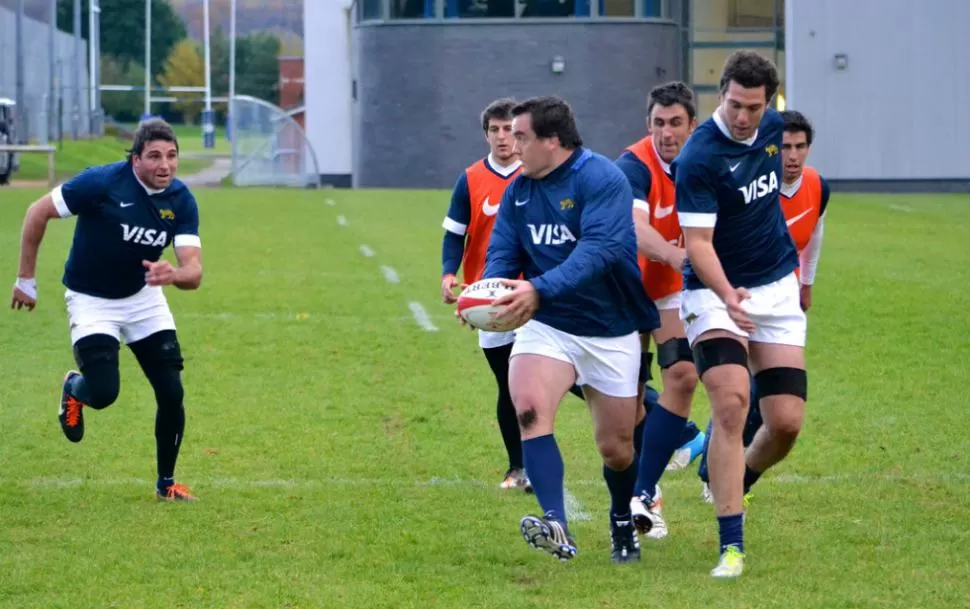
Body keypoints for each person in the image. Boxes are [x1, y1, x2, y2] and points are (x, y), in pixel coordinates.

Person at [481, 95, 659, 564]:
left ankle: (621, 518)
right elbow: (502, 251)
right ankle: (556, 522)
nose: (512, 145)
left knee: (617, 448)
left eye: (521, 136)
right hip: (549, 326)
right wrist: (488, 296)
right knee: (529, 411)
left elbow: (597, 252)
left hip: (611, 327)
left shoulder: (601, 179)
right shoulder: (518, 191)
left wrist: (538, 289)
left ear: (552, 141)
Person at [11, 118, 203, 502]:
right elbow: (37, 211)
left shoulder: (181, 200)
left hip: (143, 297)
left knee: (171, 392)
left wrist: (175, 273)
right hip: (91, 298)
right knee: (103, 392)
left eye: (171, 156)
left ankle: (167, 483)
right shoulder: (100, 184)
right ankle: (74, 390)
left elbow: (194, 272)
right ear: (135, 160)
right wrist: (26, 279)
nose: (165, 165)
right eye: (154, 156)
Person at [672, 50, 808, 578]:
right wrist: (727, 294)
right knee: (731, 404)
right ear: (720, 92)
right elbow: (699, 243)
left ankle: (732, 478)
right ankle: (731, 546)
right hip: (713, 294)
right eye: (733, 104)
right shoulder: (700, 157)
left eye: (753, 107)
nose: (743, 117)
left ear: (768, 102)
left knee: (786, 424)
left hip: (775, 287)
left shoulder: (774, 127)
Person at [695, 108, 830, 502]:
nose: (791, 155)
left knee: (775, 407)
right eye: (784, 146)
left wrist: (806, 284)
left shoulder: (818, 186)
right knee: (734, 395)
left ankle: (736, 476)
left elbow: (815, 234)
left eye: (800, 147)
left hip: (781, 298)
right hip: (733, 293)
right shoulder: (754, 183)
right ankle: (713, 472)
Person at [613, 81, 710, 540]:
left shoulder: (706, 161)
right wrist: (676, 255)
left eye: (675, 123)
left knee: (683, 375)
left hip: (671, 290)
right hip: (624, 287)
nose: (666, 133)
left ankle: (646, 492)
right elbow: (634, 228)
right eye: (658, 123)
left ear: (692, 124)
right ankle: (635, 497)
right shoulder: (632, 165)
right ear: (647, 124)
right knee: (627, 404)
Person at [440, 98, 529, 491]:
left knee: (533, 379)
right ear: (486, 134)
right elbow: (454, 234)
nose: (503, 137)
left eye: (509, 129)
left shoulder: (536, 174)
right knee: (508, 383)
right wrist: (448, 273)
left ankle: (529, 465)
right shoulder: (471, 178)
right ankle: (518, 467)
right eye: (495, 130)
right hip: (486, 299)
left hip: (531, 295)